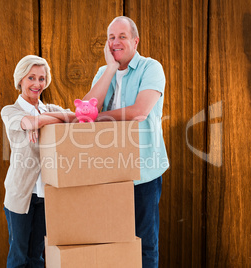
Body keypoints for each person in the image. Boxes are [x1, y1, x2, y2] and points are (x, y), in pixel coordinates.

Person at [83, 16, 169, 268]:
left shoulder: (150, 68)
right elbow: (85, 109)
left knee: (144, 242)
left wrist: (98, 118)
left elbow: (139, 111)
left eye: (122, 36)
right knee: (110, 241)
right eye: (111, 37)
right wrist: (110, 69)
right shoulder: (103, 72)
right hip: (108, 170)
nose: (116, 42)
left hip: (142, 170)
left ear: (135, 40)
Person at [1, 55, 75, 268]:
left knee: (37, 257)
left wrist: (42, 119)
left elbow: (76, 118)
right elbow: (29, 121)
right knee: (19, 257)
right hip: (21, 195)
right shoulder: (10, 111)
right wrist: (42, 120)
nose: (37, 84)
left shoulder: (49, 108)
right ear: (20, 80)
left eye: (41, 78)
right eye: (31, 77)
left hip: (46, 194)